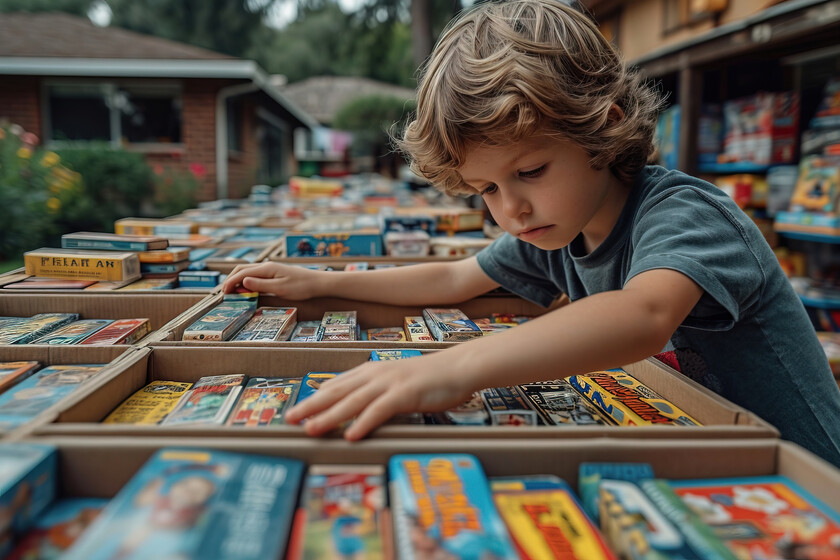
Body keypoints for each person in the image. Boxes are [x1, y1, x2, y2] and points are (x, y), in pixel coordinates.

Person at [223, 0, 840, 466]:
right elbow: (454, 277)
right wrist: (322, 283)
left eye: (530, 171)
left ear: (604, 129)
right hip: (716, 461)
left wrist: (452, 369)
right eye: (486, 190)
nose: (510, 209)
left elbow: (643, 313)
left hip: (809, 476)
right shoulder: (557, 228)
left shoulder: (686, 213)